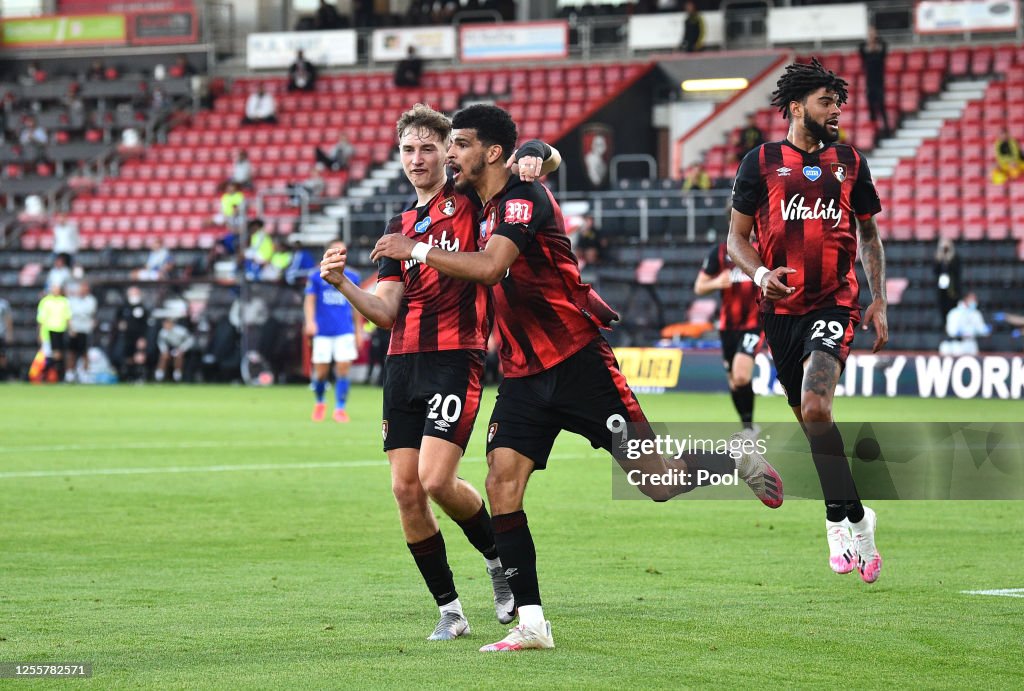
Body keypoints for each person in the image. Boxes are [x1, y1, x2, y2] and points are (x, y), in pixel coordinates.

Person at [367, 104, 783, 652]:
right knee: (501, 484)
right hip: (520, 373)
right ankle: (532, 624)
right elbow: (527, 158)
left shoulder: (524, 198)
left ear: (491, 153)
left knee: (656, 482)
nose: (448, 155)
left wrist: (418, 246)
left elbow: (492, 267)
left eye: (459, 144)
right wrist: (540, 151)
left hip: (577, 361)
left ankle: (731, 457)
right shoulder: (478, 202)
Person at [319, 104, 533, 642]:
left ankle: (498, 563)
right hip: (401, 363)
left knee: (436, 479)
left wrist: (534, 162)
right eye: (409, 150)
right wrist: (343, 284)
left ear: (448, 152)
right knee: (404, 489)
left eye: (429, 148)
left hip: (454, 357)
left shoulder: (468, 201)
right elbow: (386, 310)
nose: (418, 158)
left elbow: (520, 170)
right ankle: (451, 610)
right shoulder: (399, 226)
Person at [727, 58, 887, 584]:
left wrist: (878, 300)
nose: (837, 109)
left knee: (818, 406)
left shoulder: (850, 162)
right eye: (827, 101)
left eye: (839, 101)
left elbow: (868, 235)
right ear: (796, 108)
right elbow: (736, 240)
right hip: (780, 312)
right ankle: (859, 516)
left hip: (834, 301)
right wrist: (759, 273)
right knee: (810, 421)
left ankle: (834, 521)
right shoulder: (761, 162)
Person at [694, 242, 762, 430]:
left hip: (755, 323)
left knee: (741, 376)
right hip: (728, 327)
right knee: (734, 382)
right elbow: (699, 287)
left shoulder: (763, 246)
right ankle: (747, 426)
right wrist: (717, 282)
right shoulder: (721, 251)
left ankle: (748, 429)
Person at [304, 240, 362, 422]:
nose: (338, 254)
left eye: (341, 251)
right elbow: (310, 300)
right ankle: (320, 402)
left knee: (343, 369)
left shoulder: (353, 276)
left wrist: (358, 331)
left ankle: (340, 409)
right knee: (321, 372)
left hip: (344, 329)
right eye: (334, 250)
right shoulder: (316, 275)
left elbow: (357, 305)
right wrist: (310, 322)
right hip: (323, 330)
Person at [112, 286, 150, 382]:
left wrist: (143, 338)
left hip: (138, 337)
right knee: (127, 357)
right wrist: (120, 324)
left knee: (139, 356)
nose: (134, 296)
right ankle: (128, 376)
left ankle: (139, 376)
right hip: (126, 337)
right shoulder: (124, 307)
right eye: (132, 293)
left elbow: (145, 325)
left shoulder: (143, 308)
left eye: (136, 293)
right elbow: (117, 320)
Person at [858, 26, 891, 138]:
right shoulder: (865, 52)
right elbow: (861, 49)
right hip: (870, 85)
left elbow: (884, 47)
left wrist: (876, 39)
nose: (871, 36)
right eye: (869, 34)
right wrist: (869, 41)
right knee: (871, 111)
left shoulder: (880, 52)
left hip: (879, 85)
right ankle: (875, 134)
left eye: (873, 34)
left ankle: (887, 131)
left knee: (882, 108)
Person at [37, 282, 72, 383]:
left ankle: (51, 375)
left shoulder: (64, 301)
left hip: (60, 331)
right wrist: (39, 333)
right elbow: (41, 320)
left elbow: (68, 317)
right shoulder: (45, 301)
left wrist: (71, 329)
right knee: (50, 354)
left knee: (58, 354)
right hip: (48, 332)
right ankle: (46, 374)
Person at [66, 281, 97, 382]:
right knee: (72, 352)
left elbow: (89, 313)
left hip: (85, 330)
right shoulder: (72, 300)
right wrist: (71, 328)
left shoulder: (91, 300)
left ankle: (85, 374)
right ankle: (70, 374)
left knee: (85, 352)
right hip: (74, 329)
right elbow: (69, 316)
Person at [941, 292, 989, 356]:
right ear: (966, 299)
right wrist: (962, 332)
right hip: (958, 345)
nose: (974, 302)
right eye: (972, 299)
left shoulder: (976, 314)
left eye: (975, 300)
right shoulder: (954, 313)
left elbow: (982, 330)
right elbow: (951, 331)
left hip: (971, 344)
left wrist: (983, 330)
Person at [155, 318, 195, 382]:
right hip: (169, 348)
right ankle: (159, 376)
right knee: (163, 357)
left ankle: (177, 376)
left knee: (178, 357)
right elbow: (161, 342)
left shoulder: (181, 331)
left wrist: (182, 349)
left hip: (180, 348)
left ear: (171, 324)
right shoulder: (163, 332)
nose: (165, 326)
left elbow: (190, 340)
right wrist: (164, 351)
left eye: (167, 324)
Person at [934, 238, 961, 323]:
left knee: (952, 308)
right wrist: (941, 259)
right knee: (943, 307)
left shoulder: (955, 258)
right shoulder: (938, 258)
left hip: (952, 287)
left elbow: (957, 272)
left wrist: (949, 260)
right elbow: (935, 271)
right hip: (942, 289)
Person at [0, 296, 14, 380]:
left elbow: (8, 319)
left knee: (2, 356)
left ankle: (3, 375)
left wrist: (9, 334)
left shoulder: (3, 304)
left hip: (1, 333)